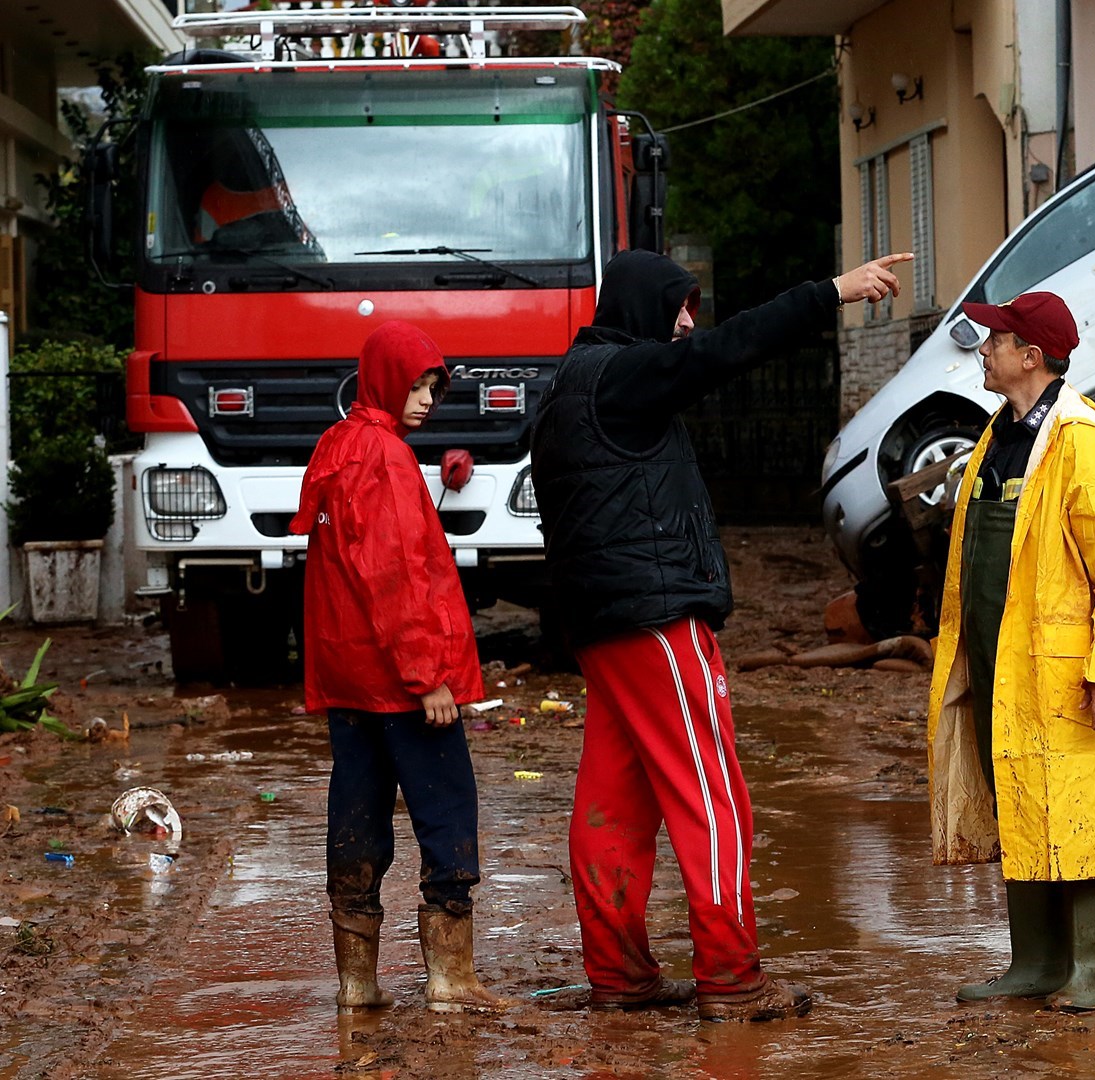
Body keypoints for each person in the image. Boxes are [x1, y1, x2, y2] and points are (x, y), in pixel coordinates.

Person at [532, 248, 912, 1022]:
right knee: (714, 796)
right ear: (641, 307)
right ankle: (733, 978)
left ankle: (619, 975)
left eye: (693, 308)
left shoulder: (568, 385)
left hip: (599, 627)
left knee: (614, 800)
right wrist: (828, 291)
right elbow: (725, 350)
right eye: (678, 305)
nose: (686, 323)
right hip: (657, 620)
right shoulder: (626, 373)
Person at [924, 291, 1095, 1012]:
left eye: (996, 342)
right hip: (1001, 662)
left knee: (1076, 808)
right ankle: (1033, 962)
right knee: (1016, 797)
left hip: (1066, 670)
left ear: (1031, 357)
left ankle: (1085, 969)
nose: (984, 351)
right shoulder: (1001, 433)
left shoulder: (1082, 439)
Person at [292, 320, 507, 1014]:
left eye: (432, 386)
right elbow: (392, 576)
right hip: (401, 684)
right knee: (447, 816)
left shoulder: (337, 445)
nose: (424, 399)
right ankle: (451, 979)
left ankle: (357, 986)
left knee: (356, 820)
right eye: (415, 383)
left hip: (350, 681)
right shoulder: (383, 457)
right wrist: (428, 675)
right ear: (384, 378)